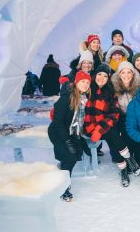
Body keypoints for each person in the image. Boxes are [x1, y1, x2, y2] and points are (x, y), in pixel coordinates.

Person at [84, 63, 140, 187]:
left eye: (105, 76)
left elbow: (114, 113)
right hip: (89, 128)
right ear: (94, 76)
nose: (101, 78)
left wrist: (99, 129)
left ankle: (124, 168)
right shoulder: (87, 89)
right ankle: (129, 161)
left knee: (113, 134)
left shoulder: (109, 92)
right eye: (99, 74)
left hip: (102, 128)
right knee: (113, 133)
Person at [47, 71, 92, 202]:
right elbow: (58, 123)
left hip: (71, 131)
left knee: (77, 153)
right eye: (83, 81)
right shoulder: (66, 98)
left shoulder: (83, 98)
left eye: (88, 82)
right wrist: (67, 141)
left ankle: (63, 170)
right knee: (70, 156)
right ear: (76, 82)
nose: (85, 84)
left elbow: (78, 121)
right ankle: (64, 188)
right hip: (57, 131)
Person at [111, 61, 140, 167]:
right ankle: (123, 161)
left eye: (129, 72)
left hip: (134, 117)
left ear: (133, 74)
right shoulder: (113, 87)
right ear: (119, 74)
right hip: (119, 117)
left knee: (133, 137)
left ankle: (134, 158)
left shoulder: (139, 87)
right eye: (123, 72)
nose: (126, 75)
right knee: (119, 138)